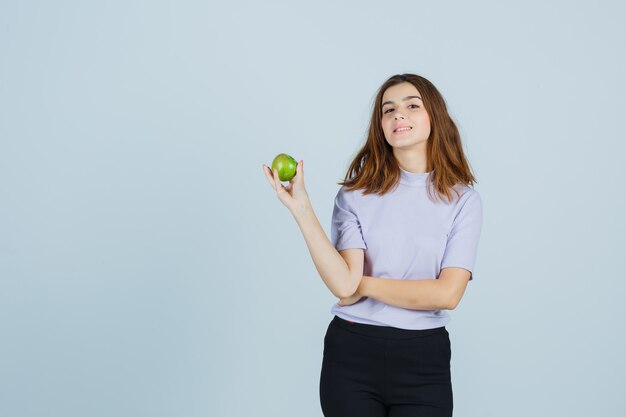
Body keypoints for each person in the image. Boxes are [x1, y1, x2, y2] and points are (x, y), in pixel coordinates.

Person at [262, 73, 482, 417]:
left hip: (424, 360)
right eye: (388, 109)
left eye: (412, 105)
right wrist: (302, 210)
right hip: (352, 355)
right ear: (380, 125)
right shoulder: (353, 196)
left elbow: (446, 295)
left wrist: (360, 286)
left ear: (434, 117)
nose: (398, 115)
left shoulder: (463, 201)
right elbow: (342, 285)